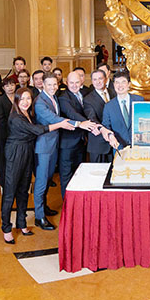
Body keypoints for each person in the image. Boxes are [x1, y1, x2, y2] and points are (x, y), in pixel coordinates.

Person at [1, 88, 74, 244]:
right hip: (15, 152)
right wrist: (59, 124)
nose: (25, 102)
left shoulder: (28, 113)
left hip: (27, 151)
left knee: (24, 190)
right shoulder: (16, 117)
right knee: (10, 192)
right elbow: (37, 130)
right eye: (22, 99)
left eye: (28, 98)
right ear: (16, 100)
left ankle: (21, 223)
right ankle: (6, 228)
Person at [34, 74, 94, 227]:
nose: (52, 87)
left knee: (48, 179)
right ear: (43, 85)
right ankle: (39, 217)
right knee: (41, 181)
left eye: (55, 84)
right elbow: (55, 119)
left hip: (54, 144)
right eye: (49, 84)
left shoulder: (53, 97)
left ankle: (44, 207)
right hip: (44, 146)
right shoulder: (40, 102)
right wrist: (79, 124)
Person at [57, 71, 92, 196]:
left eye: (77, 82)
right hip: (67, 143)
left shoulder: (84, 94)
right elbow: (72, 114)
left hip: (81, 142)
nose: (74, 85)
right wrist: (89, 123)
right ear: (66, 83)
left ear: (81, 82)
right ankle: (67, 203)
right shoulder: (63, 97)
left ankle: (76, 203)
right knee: (66, 175)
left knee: (79, 174)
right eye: (71, 82)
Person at [101, 72, 144, 150]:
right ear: (113, 85)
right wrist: (110, 136)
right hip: (119, 147)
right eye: (117, 82)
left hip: (139, 146)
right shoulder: (108, 106)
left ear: (129, 84)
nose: (120, 85)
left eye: (123, 82)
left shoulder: (139, 100)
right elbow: (106, 126)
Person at [83, 69, 113, 162]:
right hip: (98, 143)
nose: (98, 82)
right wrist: (103, 130)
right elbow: (92, 118)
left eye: (100, 78)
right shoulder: (88, 99)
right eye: (95, 79)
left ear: (106, 79)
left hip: (115, 141)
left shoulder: (114, 93)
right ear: (92, 81)